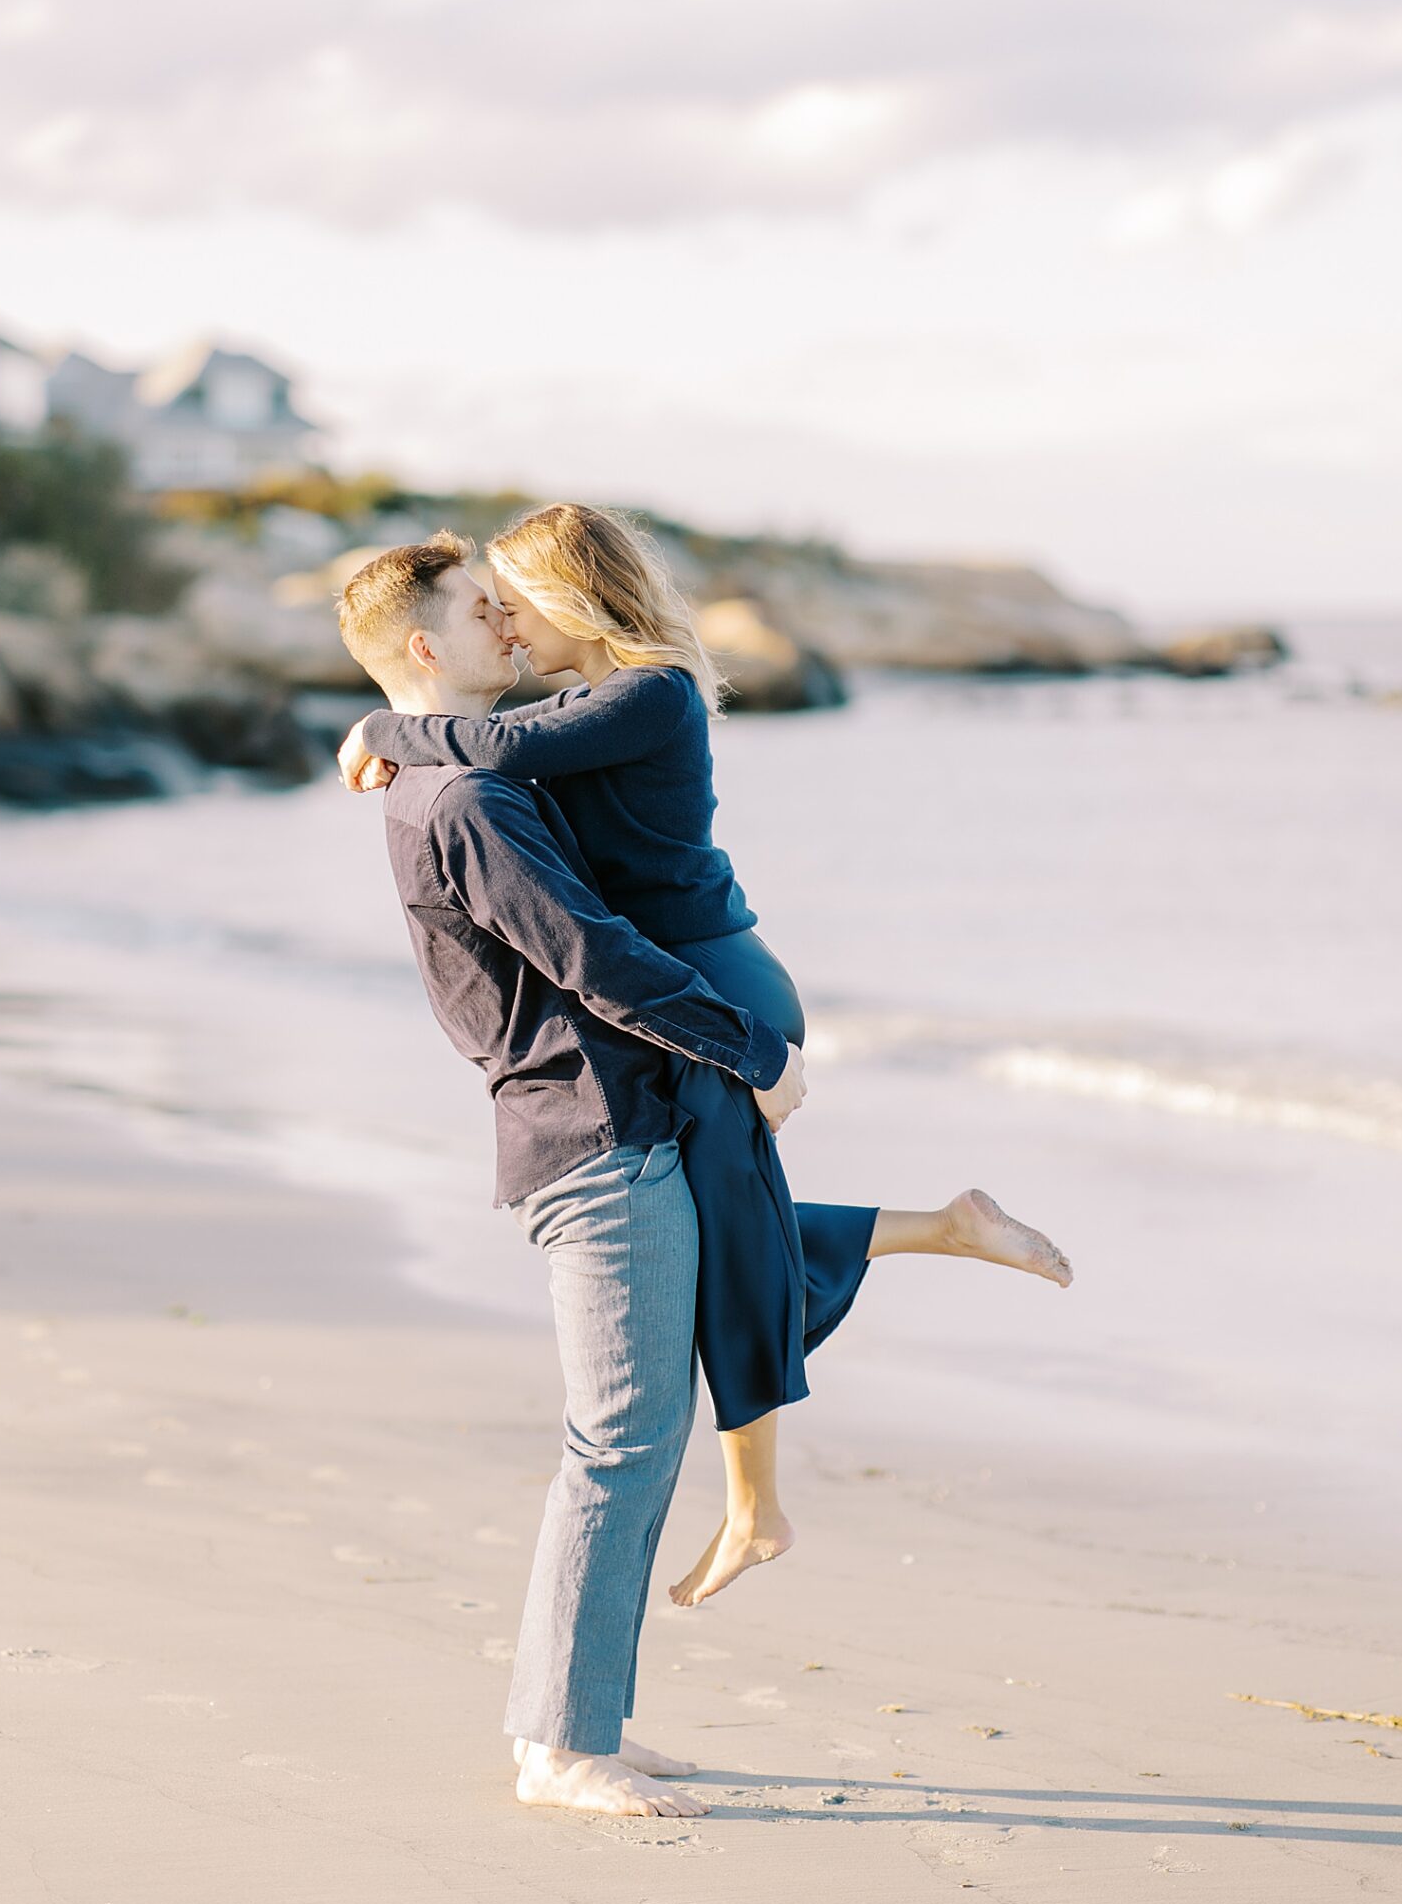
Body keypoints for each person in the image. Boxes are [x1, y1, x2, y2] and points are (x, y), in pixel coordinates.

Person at [340, 504, 1071, 1611]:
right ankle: (933, 1242)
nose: (510, 622)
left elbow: (494, 751)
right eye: (491, 609)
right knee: (726, 1229)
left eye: (517, 602)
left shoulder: (649, 689)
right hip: (685, 983)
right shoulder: (583, 702)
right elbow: (501, 761)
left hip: (716, 984)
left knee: (732, 1234)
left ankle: (755, 1507)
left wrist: (382, 732)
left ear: (574, 599)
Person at [335, 530, 803, 1819]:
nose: (507, 620)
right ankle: (559, 1746)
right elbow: (590, 954)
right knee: (619, 1439)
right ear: (427, 645)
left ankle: (581, 1716)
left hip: (596, 1120)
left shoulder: (455, 778)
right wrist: (755, 1049)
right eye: (483, 608)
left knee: (634, 1437)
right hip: (592, 1133)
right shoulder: (468, 801)